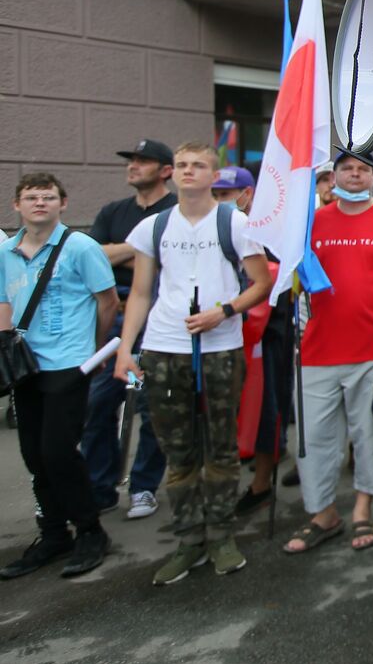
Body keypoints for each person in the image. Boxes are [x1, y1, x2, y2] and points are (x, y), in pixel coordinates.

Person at [112, 142, 273, 584]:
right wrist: (127, 348)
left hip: (220, 347)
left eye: (197, 165)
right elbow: (141, 292)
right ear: (172, 173)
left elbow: (260, 284)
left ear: (213, 175)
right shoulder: (153, 226)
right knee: (177, 450)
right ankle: (189, 539)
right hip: (164, 347)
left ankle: (221, 534)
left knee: (221, 446)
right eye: (181, 165)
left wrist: (224, 310)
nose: (187, 172)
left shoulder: (236, 222)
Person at [283, 152, 373, 554]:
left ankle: (362, 508)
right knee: (315, 438)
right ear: (333, 176)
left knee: (368, 433)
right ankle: (322, 513)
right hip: (317, 350)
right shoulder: (311, 224)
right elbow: (294, 282)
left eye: (362, 169)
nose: (354, 175)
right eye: (347, 169)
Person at [0, 174, 118, 579]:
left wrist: (93, 348)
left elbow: (108, 301)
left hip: (69, 362)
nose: (39, 204)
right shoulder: (6, 251)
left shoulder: (81, 247)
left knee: (57, 451)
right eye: (30, 198)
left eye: (47, 197)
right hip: (26, 365)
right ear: (17, 205)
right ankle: (53, 534)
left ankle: (90, 531)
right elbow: (3, 302)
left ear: (62, 204)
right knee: (34, 454)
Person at [82, 138, 176, 521]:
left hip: (160, 317)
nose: (133, 166)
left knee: (154, 408)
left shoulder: (176, 211)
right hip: (114, 316)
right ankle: (100, 487)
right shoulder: (113, 210)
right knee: (98, 403)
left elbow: (166, 257)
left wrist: (120, 250)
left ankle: (143, 487)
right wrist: (139, 246)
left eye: (143, 160)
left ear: (165, 170)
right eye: (131, 160)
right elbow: (93, 256)